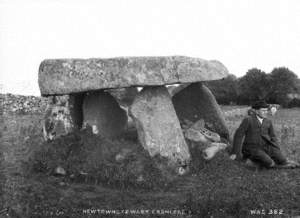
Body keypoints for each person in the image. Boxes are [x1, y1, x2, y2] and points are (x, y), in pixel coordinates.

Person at [230, 100, 298, 169]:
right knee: (268, 162)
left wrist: (276, 148)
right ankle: (280, 167)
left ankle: (286, 163)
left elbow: (273, 136)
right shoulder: (248, 120)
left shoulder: (268, 121)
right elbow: (238, 135)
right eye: (263, 110)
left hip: (266, 147)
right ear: (256, 111)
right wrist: (235, 152)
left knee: (282, 159)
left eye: (266, 110)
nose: (265, 112)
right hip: (252, 148)